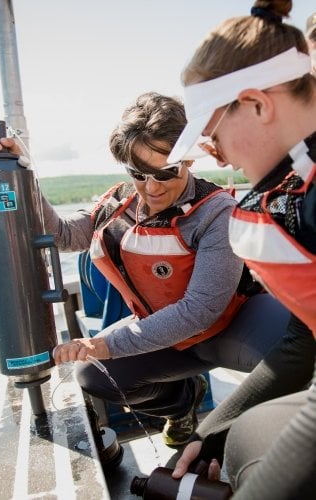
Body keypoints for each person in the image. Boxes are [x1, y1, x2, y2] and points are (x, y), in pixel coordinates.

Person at [0, 91, 289, 448]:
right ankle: (182, 403)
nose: (151, 188)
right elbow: (62, 235)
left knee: (298, 352)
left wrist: (103, 343)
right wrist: (21, 171)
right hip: (165, 336)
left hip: (230, 327)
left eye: (165, 172)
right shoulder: (117, 206)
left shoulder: (217, 212)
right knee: (93, 375)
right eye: (138, 174)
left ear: (187, 160)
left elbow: (200, 311)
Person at [168, 1, 316, 498]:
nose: (220, 155)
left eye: (213, 133)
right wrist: (211, 432)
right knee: (241, 438)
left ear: (256, 103)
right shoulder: (296, 189)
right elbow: (303, 341)